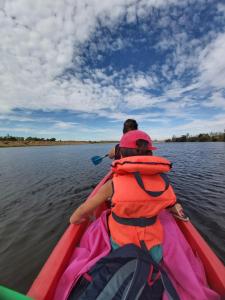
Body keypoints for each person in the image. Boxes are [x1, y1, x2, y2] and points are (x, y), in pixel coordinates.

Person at [70, 130, 185, 263]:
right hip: (154, 251)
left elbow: (83, 210)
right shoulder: (164, 183)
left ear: (122, 154)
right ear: (150, 154)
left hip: (121, 247)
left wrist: (75, 218)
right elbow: (173, 204)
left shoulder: (113, 184)